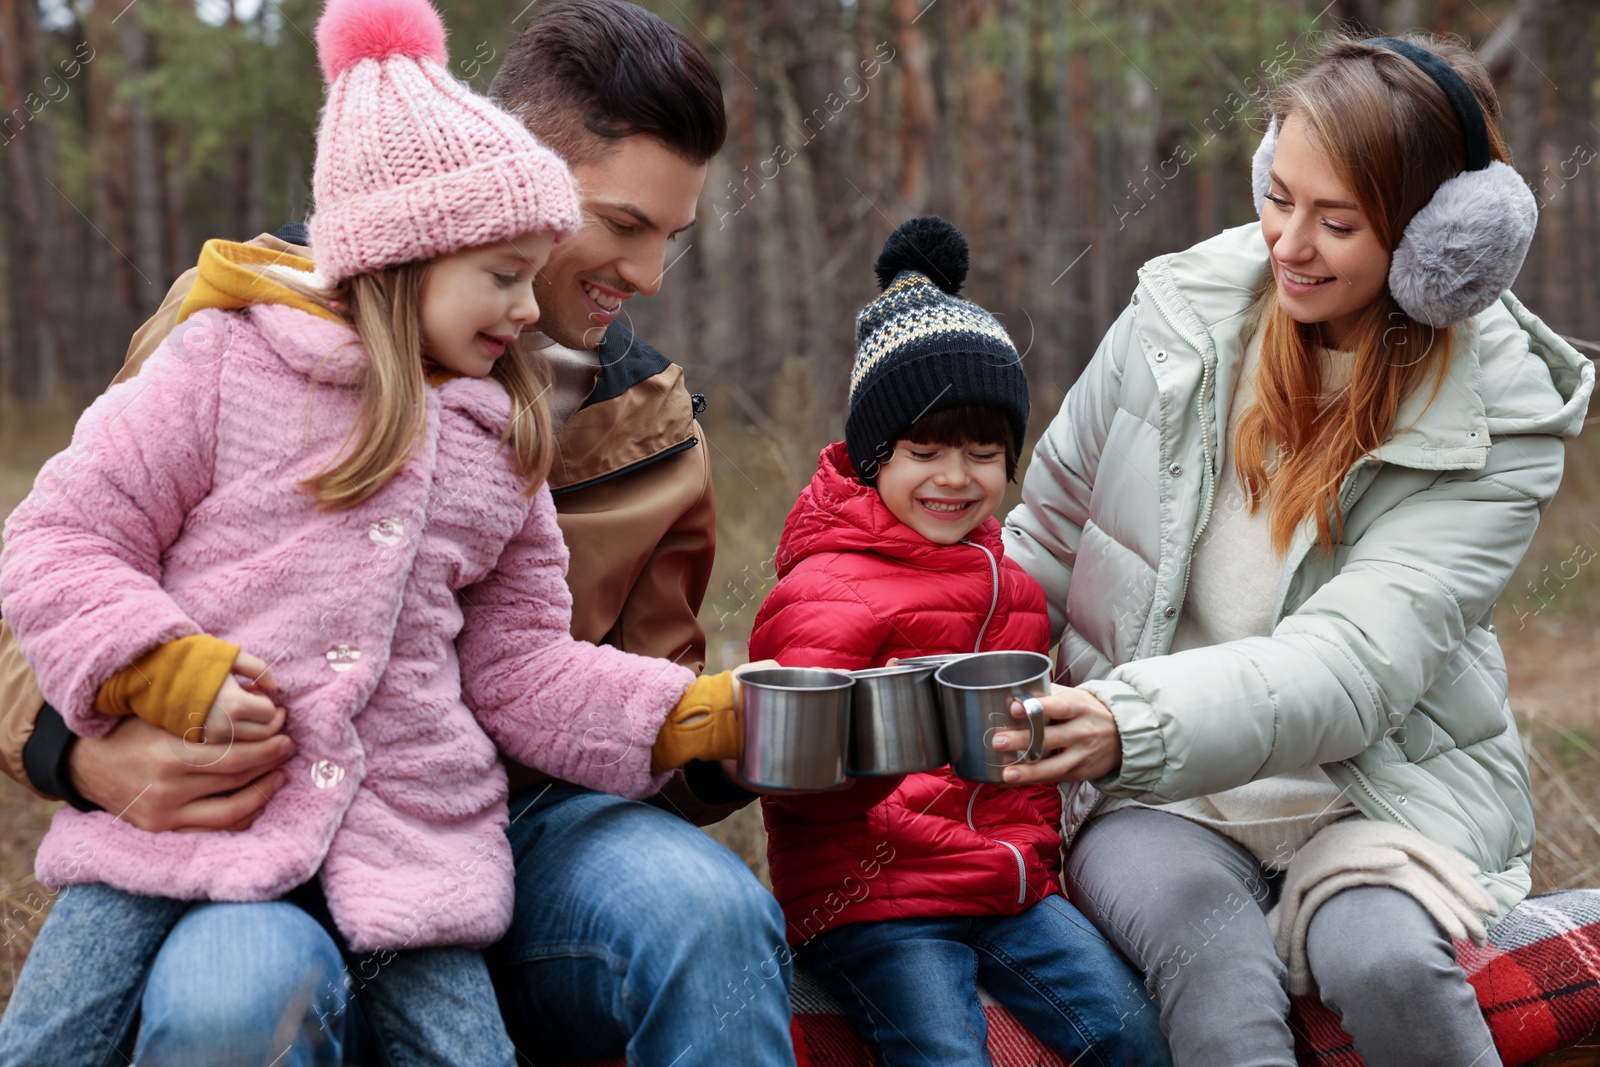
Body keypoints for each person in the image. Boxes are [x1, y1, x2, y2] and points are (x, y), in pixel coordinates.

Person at [0, 1, 797, 1063]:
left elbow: (593, 687)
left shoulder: (644, 420)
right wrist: (93, 757)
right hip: (247, 812)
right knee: (234, 996)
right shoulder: (235, 340)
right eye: (620, 225)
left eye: (672, 236)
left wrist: (763, 733)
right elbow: (54, 567)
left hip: (479, 835)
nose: (649, 276)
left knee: (708, 913)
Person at [995, 33, 1594, 1067]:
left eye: (1336, 221)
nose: (1287, 243)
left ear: (1434, 241)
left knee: (1388, 963)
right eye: (1279, 195)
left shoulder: (1502, 413)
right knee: (1211, 963)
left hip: (1372, 786)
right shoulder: (1178, 317)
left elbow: (1354, 666)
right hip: (1160, 789)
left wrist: (1127, 720)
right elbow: (1041, 537)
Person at [747, 217, 1170, 1067]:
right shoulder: (825, 586)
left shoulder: (1008, 581)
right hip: (874, 899)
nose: (954, 476)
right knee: (945, 1052)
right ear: (874, 456)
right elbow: (789, 773)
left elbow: (1029, 751)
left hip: (1009, 887)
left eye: (983, 452)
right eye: (924, 450)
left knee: (1131, 1035)